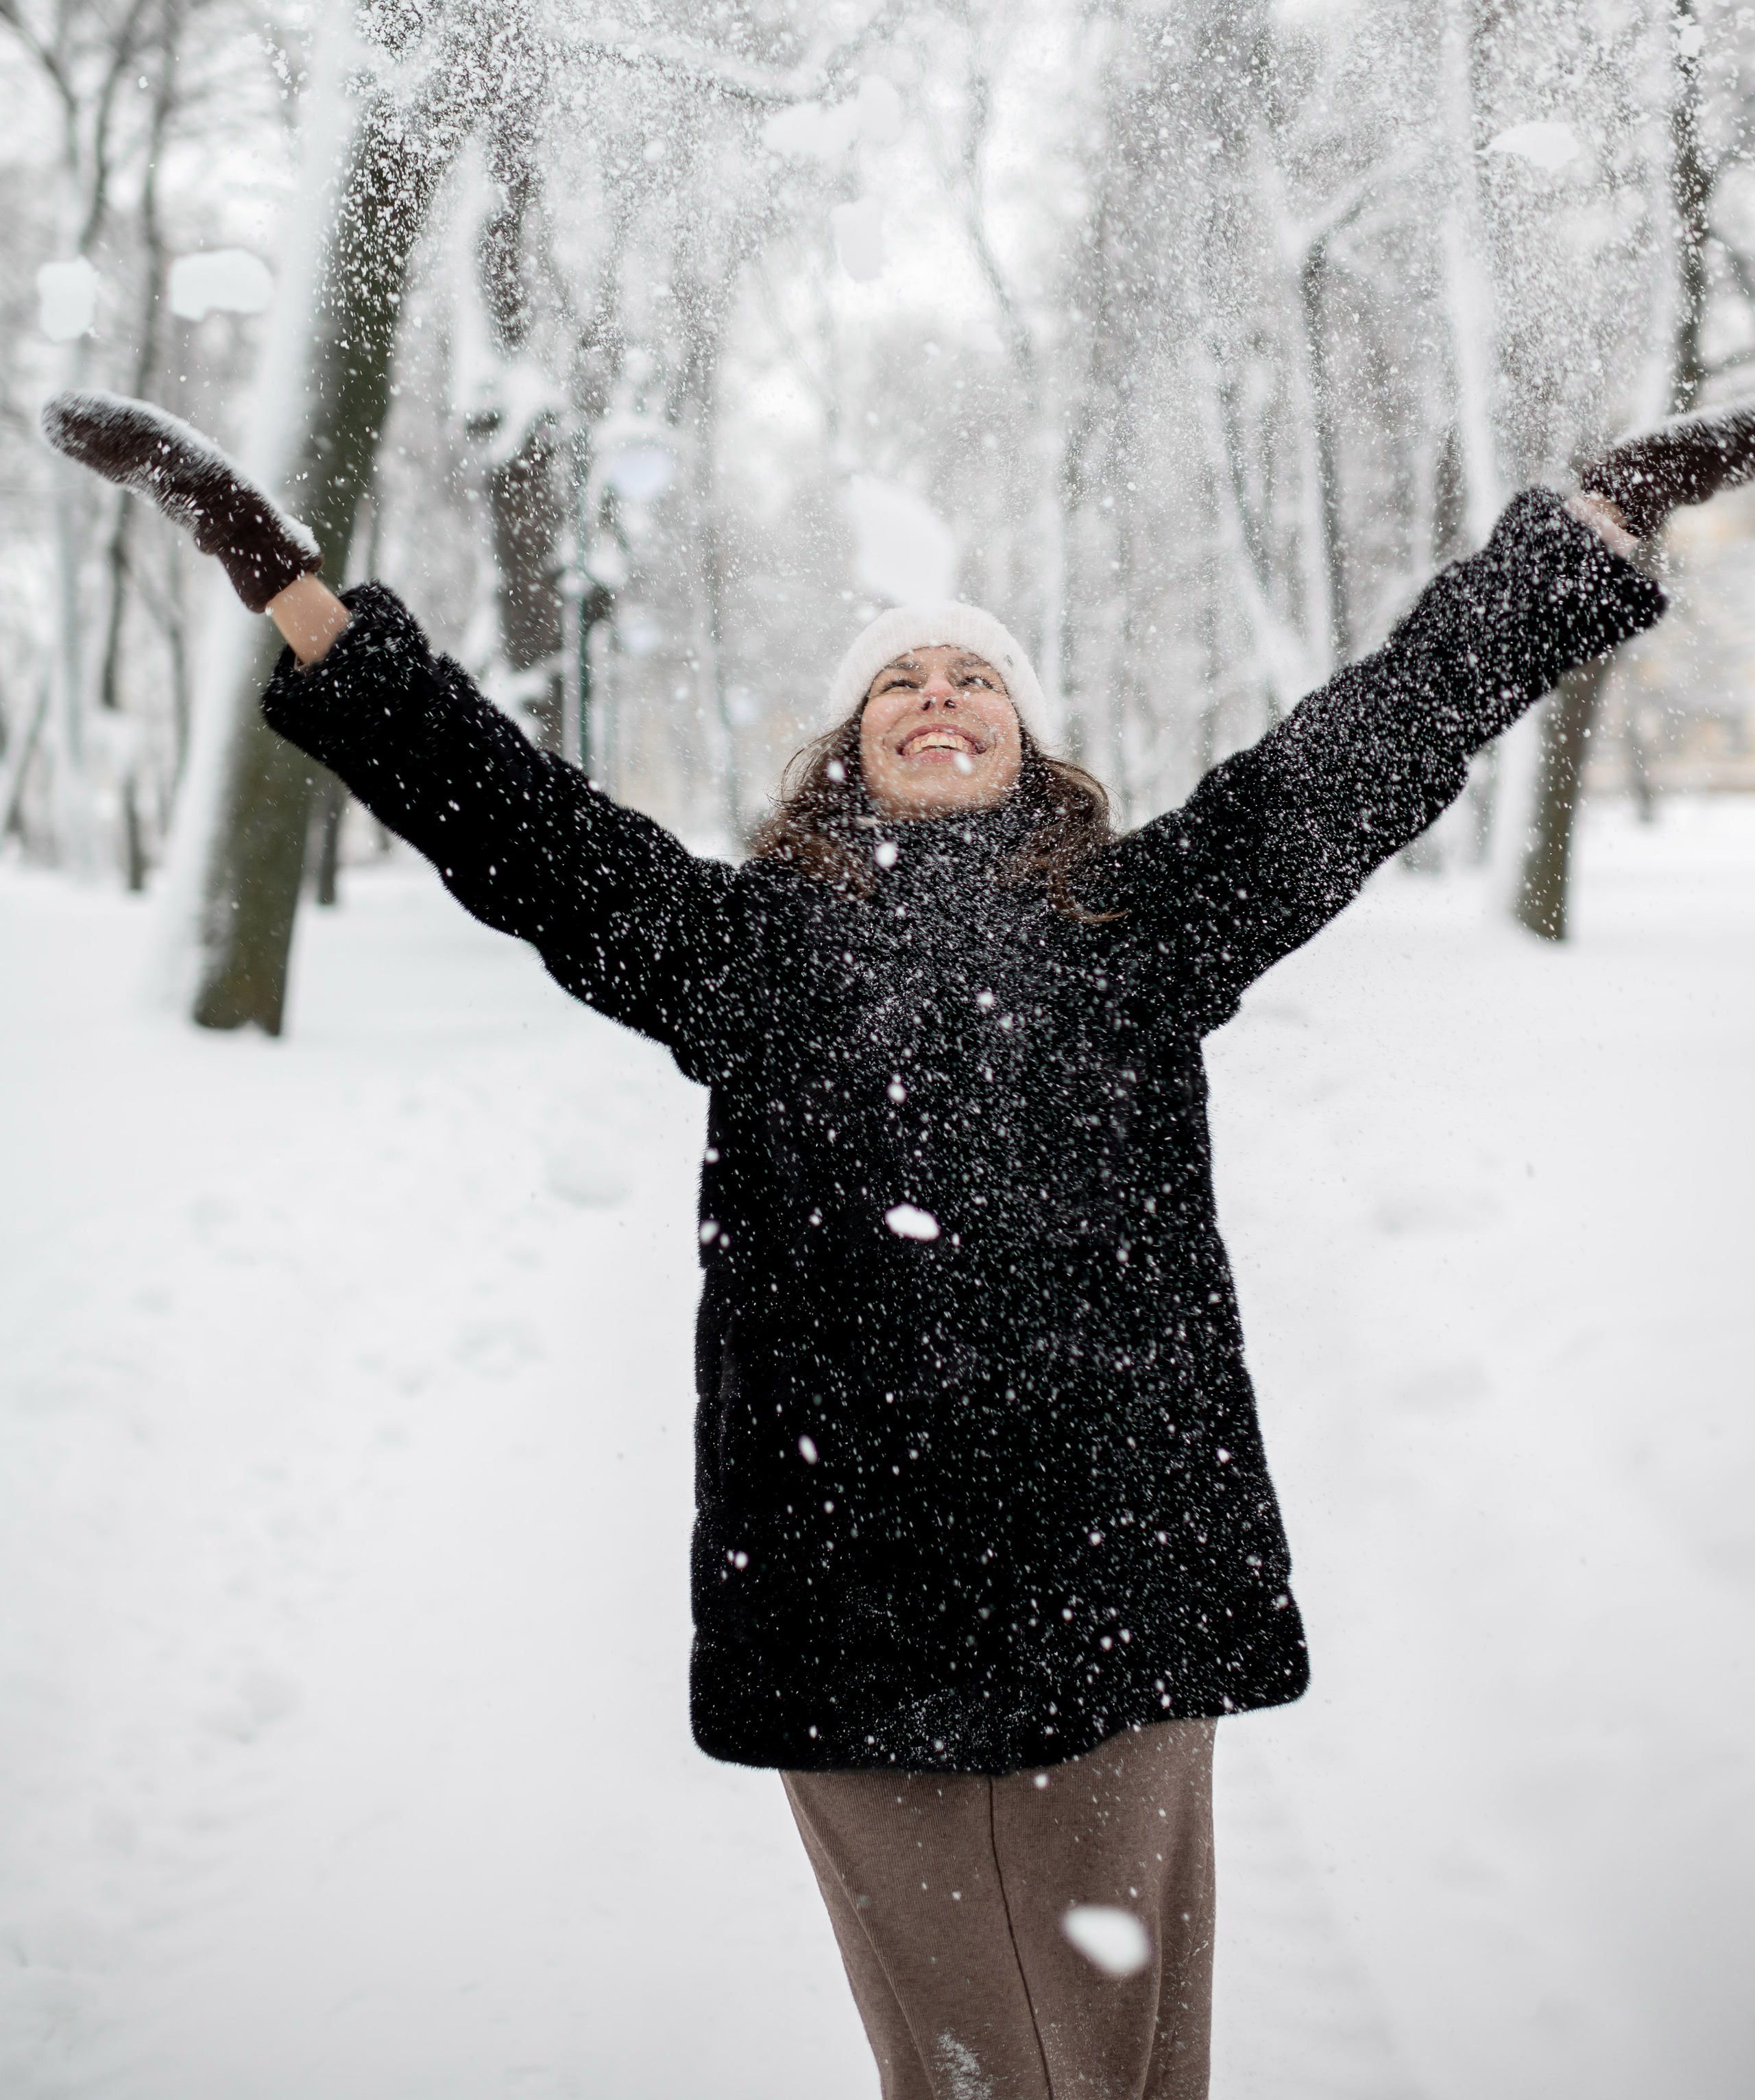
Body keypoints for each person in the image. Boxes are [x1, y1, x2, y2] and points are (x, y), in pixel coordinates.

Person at [40, 388, 1755, 2097]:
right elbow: (509, 811)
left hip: (1119, 1572)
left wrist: (1596, 519)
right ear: (844, 747)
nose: (939, 695)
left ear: (1030, 737)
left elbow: (1379, 735)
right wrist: (279, 573)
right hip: (858, 1602)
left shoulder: (1143, 917)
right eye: (897, 680)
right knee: (988, 2069)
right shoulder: (738, 951)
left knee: (1133, 2059)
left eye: (975, 676)